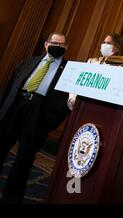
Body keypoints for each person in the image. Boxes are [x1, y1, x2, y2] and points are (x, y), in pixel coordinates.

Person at [0, 32, 70, 203]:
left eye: (61, 44)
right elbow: (11, 85)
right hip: (17, 105)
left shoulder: (69, 70)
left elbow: (66, 101)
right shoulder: (28, 61)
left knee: (25, 157)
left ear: (66, 48)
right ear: (46, 44)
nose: (57, 46)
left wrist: (51, 121)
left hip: (39, 114)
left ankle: (12, 196)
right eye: (54, 43)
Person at [67, 33, 123, 110]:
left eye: (108, 43)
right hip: (80, 106)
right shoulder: (92, 62)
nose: (104, 45)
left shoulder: (121, 69)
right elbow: (78, 83)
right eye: (104, 42)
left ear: (117, 47)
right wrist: (72, 99)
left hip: (100, 108)